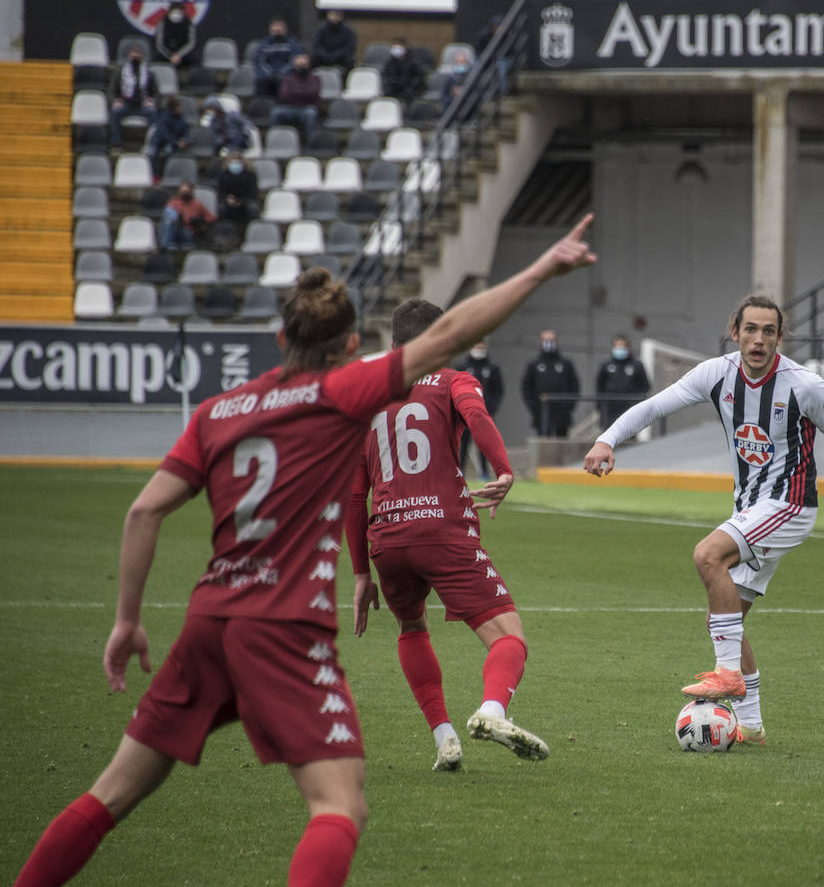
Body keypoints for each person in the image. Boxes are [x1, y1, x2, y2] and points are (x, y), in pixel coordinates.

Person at [10, 213, 597, 887]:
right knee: (339, 803)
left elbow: (144, 510)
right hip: (284, 624)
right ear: (352, 343)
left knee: (110, 793)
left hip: (207, 620)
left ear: (280, 336)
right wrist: (542, 267)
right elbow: (453, 334)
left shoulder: (217, 412)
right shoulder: (342, 393)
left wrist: (126, 619)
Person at [581, 295, 824, 746]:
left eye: (768, 331)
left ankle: (728, 675)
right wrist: (606, 440)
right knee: (727, 614)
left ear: (779, 336)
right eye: (750, 329)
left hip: (789, 505)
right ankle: (750, 725)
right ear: (735, 331)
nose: (758, 339)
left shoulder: (804, 385)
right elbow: (654, 406)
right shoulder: (717, 373)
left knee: (708, 556)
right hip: (750, 508)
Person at [345, 300, 548, 774]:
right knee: (509, 635)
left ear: (394, 346)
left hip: (387, 541)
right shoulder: (455, 378)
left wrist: (360, 574)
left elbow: (355, 495)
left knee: (412, 627)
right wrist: (502, 469)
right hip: (442, 530)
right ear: (442, 339)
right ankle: (492, 711)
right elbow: (477, 416)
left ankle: (445, 738)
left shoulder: (365, 399)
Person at [521, 329, 579, 437]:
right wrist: (534, 407)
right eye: (546, 340)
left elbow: (575, 386)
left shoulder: (566, 363)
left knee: (561, 444)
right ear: (541, 342)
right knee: (544, 443)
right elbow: (526, 388)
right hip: (541, 413)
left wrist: (569, 406)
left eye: (551, 340)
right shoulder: (534, 364)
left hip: (562, 414)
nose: (549, 343)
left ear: (556, 342)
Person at [459, 341, 504, 479]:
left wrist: (491, 408)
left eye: (481, 347)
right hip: (465, 414)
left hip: (484, 414)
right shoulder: (463, 366)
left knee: (484, 444)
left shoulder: (492, 368)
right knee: (463, 444)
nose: (479, 350)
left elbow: (498, 391)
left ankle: (484, 472)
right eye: (476, 347)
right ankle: (460, 472)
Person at [595, 335, 650, 429]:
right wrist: (600, 405)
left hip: (630, 409)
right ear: (613, 348)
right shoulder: (606, 365)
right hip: (610, 409)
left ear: (628, 348)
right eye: (617, 346)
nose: (620, 349)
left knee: (630, 437)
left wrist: (637, 404)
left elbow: (645, 386)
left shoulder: (637, 365)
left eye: (623, 347)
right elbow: (599, 386)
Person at [108, 45, 158, 144]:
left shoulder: (149, 73)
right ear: (129, 56)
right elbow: (112, 91)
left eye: (137, 55)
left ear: (142, 57)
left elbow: (155, 93)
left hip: (142, 105)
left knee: (153, 112)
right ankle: (116, 142)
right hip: (126, 104)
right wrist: (116, 100)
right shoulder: (120, 72)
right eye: (133, 55)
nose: (135, 58)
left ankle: (152, 142)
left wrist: (152, 100)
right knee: (115, 111)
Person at [271, 54, 321, 140]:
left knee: (311, 114)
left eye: (303, 65)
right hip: (290, 108)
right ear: (294, 66)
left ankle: (311, 142)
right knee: (276, 113)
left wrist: (294, 92)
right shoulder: (288, 79)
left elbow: (313, 94)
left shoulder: (315, 78)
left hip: (307, 108)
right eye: (298, 66)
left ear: (308, 65)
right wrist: (304, 93)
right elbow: (284, 95)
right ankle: (276, 140)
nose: (301, 68)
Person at [159, 180, 216, 251]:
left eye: (187, 191)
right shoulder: (174, 203)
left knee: (170, 217)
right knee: (168, 215)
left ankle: (164, 246)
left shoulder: (197, 204)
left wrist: (200, 220)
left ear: (191, 192)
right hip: (174, 229)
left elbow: (212, 217)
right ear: (179, 192)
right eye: (183, 191)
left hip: (187, 233)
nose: (185, 193)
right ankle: (164, 245)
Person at [254, 18, 305, 98]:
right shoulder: (264, 43)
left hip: (286, 75)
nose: (278, 28)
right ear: (270, 28)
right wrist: (269, 73)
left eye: (280, 25)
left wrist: (281, 73)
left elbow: (295, 61)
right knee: (260, 81)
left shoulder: (293, 43)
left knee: (286, 81)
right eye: (275, 25)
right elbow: (259, 62)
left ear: (285, 28)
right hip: (267, 76)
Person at [146, 97, 188, 178]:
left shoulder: (182, 118)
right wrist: (176, 143)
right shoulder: (163, 118)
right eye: (179, 106)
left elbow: (185, 132)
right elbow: (164, 135)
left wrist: (184, 140)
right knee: (152, 153)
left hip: (172, 143)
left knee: (169, 151)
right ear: (173, 108)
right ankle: (154, 176)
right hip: (158, 141)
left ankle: (168, 175)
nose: (181, 108)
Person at [216, 151, 259, 224]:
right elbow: (221, 192)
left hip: (246, 200)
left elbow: (253, 193)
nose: (235, 165)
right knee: (221, 208)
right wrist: (227, 198)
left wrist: (241, 201)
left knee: (253, 208)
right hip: (229, 201)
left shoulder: (250, 175)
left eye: (238, 162)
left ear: (243, 163)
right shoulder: (223, 175)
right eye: (233, 162)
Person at [381, 38, 427, 105]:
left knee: (409, 93)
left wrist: (409, 85)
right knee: (387, 92)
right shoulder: (390, 62)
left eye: (399, 46)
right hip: (394, 87)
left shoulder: (413, 61)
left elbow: (418, 78)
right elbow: (386, 75)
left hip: (409, 87)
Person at [154, 2, 197, 69]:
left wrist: (179, 55)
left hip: (183, 54)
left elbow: (191, 43)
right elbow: (159, 43)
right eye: (174, 12)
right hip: (166, 54)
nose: (176, 14)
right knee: (156, 59)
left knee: (195, 60)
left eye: (179, 12)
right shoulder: (162, 22)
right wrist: (170, 56)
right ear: (169, 12)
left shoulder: (189, 23)